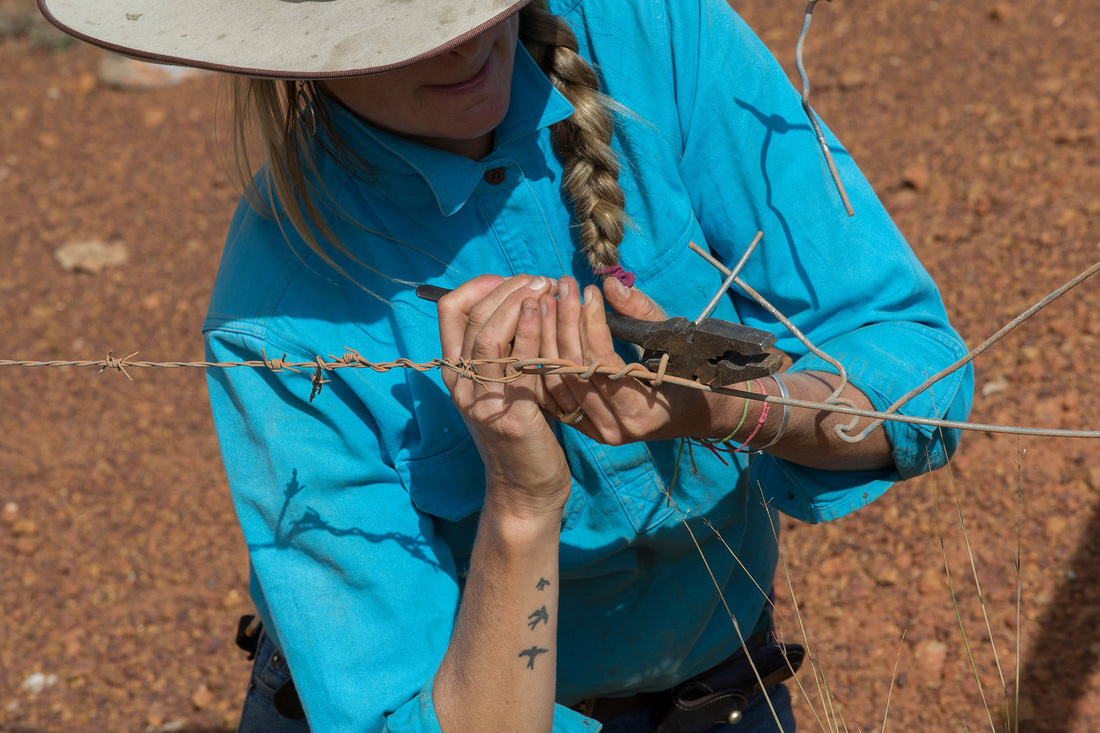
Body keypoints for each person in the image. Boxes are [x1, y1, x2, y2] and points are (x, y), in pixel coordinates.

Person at [41, 0, 974, 731]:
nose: (457, 43)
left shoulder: (658, 29)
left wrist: (726, 412)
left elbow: (925, 383)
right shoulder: (278, 313)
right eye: (395, 27)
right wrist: (523, 502)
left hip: (726, 694)